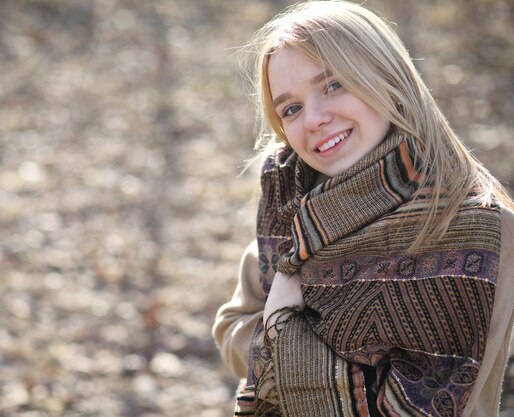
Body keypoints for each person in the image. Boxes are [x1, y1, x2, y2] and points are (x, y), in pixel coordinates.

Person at [212, 1, 514, 416]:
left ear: (386, 78)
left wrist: (281, 317)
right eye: (292, 108)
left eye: (333, 85)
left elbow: (429, 400)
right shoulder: (295, 210)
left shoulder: (480, 225)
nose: (314, 119)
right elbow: (231, 328)